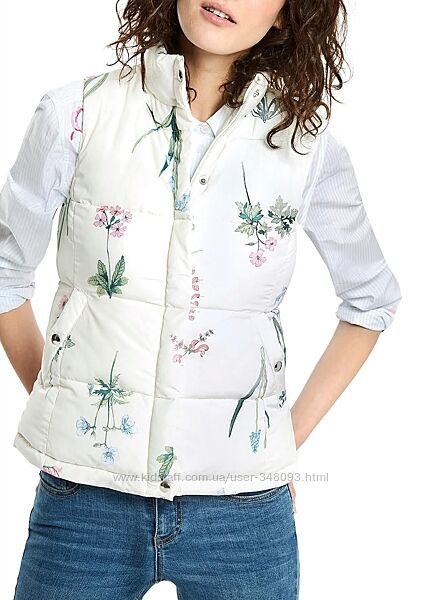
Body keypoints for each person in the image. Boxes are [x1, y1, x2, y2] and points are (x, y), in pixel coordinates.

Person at [0, 0, 402, 598]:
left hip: (242, 516)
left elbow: (371, 300)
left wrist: (279, 441)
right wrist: (62, 395)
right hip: (83, 506)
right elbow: (5, 272)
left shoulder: (305, 148)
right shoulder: (76, 114)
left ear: (287, 13)